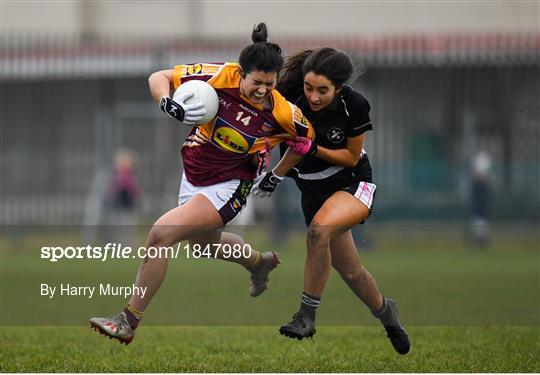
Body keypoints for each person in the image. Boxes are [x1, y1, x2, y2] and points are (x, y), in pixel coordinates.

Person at [90, 23, 313, 345]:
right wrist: (167, 102)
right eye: (256, 82)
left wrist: (277, 173)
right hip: (193, 175)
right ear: (241, 73)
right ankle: (258, 263)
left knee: (160, 235)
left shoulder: (282, 112)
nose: (263, 90)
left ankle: (127, 321)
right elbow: (159, 78)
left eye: (270, 83)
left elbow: (305, 140)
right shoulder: (218, 76)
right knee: (203, 246)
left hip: (230, 186)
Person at [255, 48, 410, 354]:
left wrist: (313, 148)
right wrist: (260, 48)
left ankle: (306, 315)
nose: (313, 96)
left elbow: (350, 157)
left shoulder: (354, 104)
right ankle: (386, 312)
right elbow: (260, 92)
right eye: (309, 88)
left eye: (322, 91)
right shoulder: (292, 100)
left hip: (353, 184)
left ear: (338, 88)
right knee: (351, 272)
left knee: (317, 231)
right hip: (313, 192)